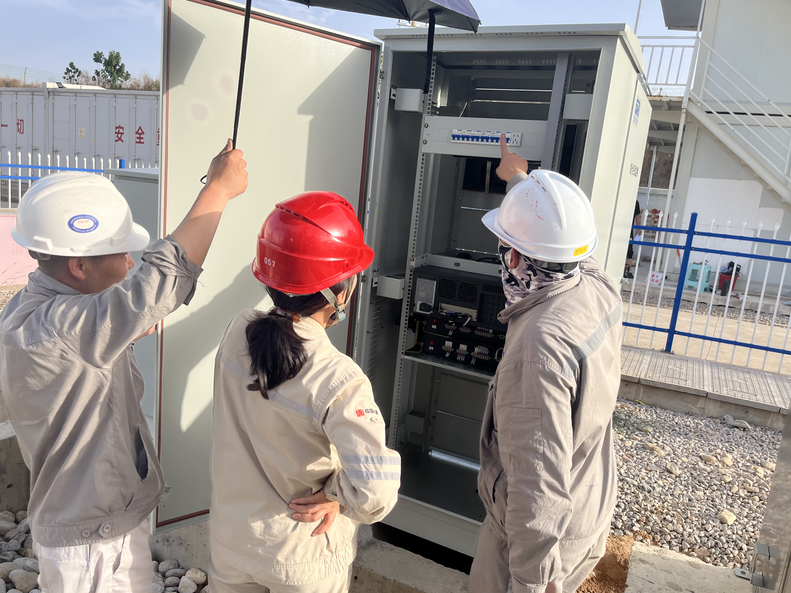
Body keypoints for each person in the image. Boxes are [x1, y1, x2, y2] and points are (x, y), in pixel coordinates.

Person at [0, 140, 248, 592]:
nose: (131, 261)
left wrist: (123, 327)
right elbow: (159, 284)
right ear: (78, 265)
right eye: (121, 253)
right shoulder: (68, 326)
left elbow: (93, 334)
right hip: (93, 545)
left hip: (97, 528)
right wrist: (217, 190)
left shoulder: (33, 309)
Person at [209, 191, 401, 593]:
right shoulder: (338, 378)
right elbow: (375, 493)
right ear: (340, 292)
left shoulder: (237, 331)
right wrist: (337, 496)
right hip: (301, 553)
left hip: (233, 543)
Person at [468, 137, 622, 593]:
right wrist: (518, 178)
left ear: (512, 257)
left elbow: (538, 490)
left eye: (503, 244)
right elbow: (563, 239)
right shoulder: (596, 284)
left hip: (539, 551)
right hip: (589, 502)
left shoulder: (537, 351)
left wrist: (530, 583)